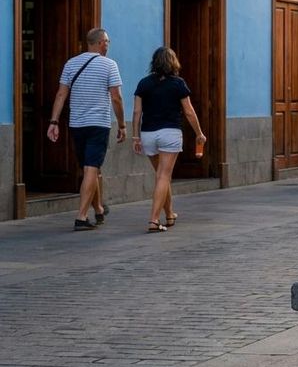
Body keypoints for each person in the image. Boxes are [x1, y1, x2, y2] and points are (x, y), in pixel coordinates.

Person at [47, 28, 124, 231]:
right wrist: (122, 124)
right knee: (91, 168)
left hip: (77, 124)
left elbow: (61, 94)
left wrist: (54, 121)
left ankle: (98, 209)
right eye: (107, 41)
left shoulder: (71, 64)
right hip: (98, 124)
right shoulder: (109, 65)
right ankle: (81, 217)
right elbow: (116, 98)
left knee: (90, 168)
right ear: (100, 43)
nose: (108, 45)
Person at [132, 47, 206, 232]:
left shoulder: (143, 83)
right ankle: (154, 220)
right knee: (163, 176)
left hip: (148, 134)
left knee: (161, 176)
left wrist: (135, 136)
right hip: (170, 133)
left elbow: (137, 112)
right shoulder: (178, 84)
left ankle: (170, 214)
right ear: (173, 62)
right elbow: (189, 111)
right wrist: (199, 133)